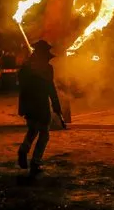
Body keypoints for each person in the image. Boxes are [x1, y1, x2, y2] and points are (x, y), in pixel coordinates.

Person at [17, 40, 65, 175]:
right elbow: (50, 88)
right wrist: (56, 105)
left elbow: (21, 85)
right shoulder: (47, 68)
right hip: (41, 104)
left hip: (29, 104)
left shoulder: (26, 68)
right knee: (44, 134)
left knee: (32, 130)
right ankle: (35, 162)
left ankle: (23, 150)